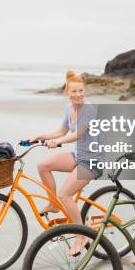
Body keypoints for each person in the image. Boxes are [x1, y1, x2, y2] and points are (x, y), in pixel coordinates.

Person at [29, 70, 100, 256]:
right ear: (67, 93)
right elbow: (61, 131)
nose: (78, 95)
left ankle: (81, 235)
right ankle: (53, 204)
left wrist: (59, 143)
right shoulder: (69, 109)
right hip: (78, 156)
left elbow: (78, 134)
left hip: (92, 160)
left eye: (81, 91)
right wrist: (39, 136)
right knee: (43, 166)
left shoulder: (89, 109)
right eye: (74, 91)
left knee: (65, 195)